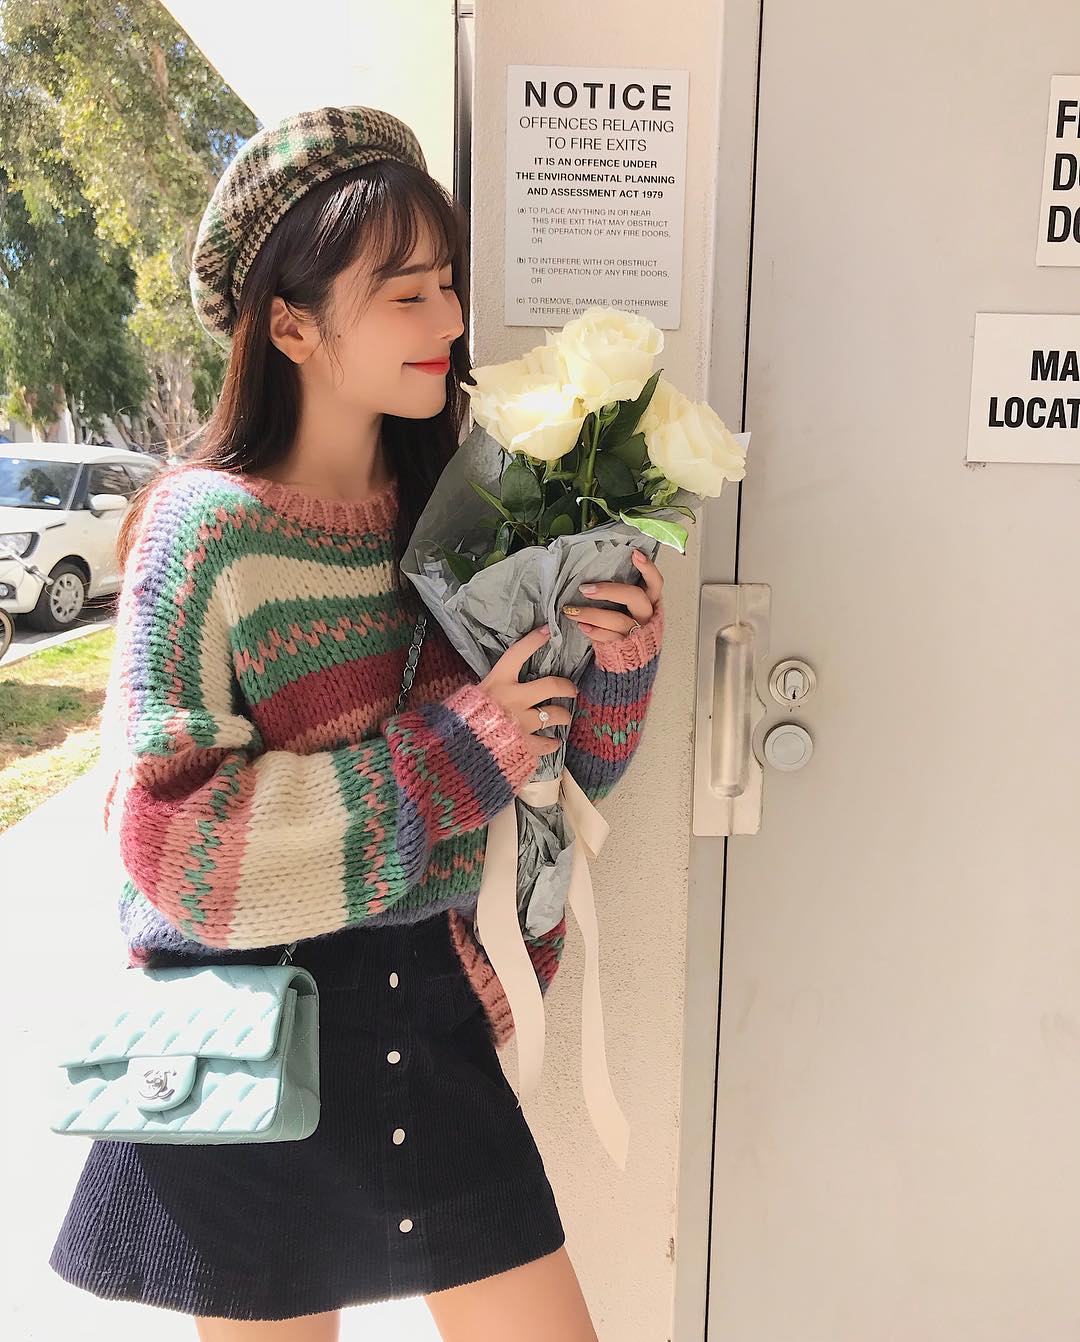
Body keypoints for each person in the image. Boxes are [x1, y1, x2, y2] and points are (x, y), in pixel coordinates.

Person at [48, 105, 665, 1342]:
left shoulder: (467, 515)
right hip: (250, 1029)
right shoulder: (202, 530)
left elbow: (561, 785)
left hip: (430, 1014)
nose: (450, 321)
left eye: (449, 284)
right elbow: (173, 841)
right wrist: (459, 753)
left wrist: (613, 663)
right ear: (290, 324)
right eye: (406, 293)